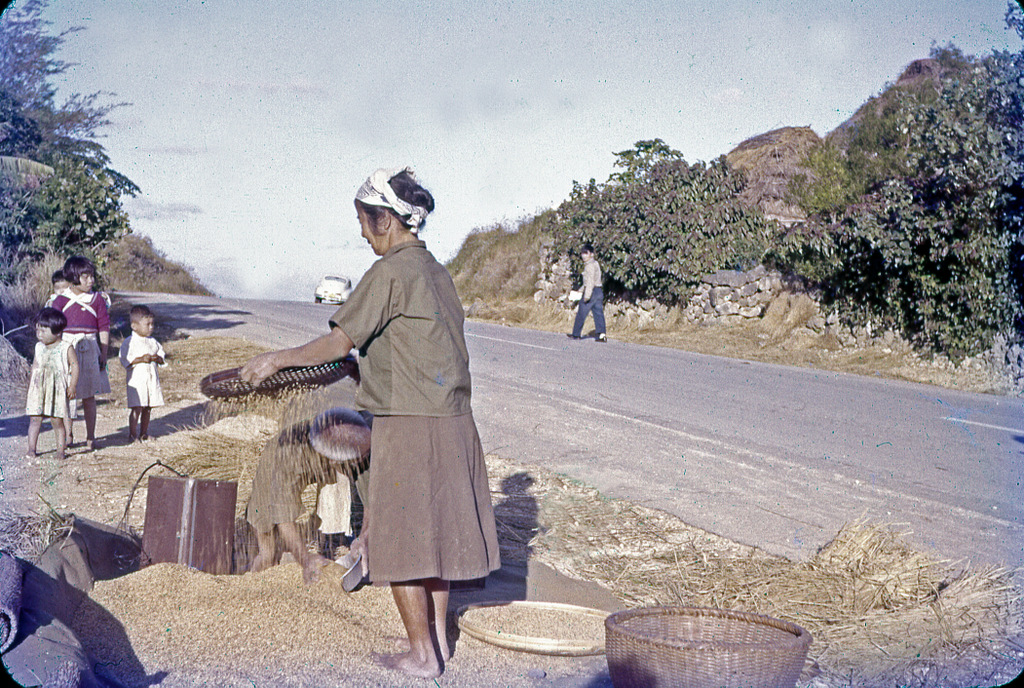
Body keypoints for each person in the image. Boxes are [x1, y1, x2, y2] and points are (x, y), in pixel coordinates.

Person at [240, 167, 500, 679]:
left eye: (363, 221)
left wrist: (276, 360)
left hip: (409, 423)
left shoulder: (389, 272)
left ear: (385, 220)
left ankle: (421, 656)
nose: (361, 232)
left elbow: (338, 342)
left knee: (400, 543)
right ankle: (437, 642)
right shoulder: (436, 272)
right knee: (434, 539)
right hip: (453, 420)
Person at [246, 408, 371, 585]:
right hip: (279, 457)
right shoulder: (288, 457)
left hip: (340, 446)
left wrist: (364, 536)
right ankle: (249, 587)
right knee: (269, 552)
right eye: (352, 463)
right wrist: (305, 559)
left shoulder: (362, 431)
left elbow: (371, 495)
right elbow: (283, 519)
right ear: (335, 461)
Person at [50, 255, 111, 451]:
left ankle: (91, 436)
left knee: (89, 395)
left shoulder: (97, 299)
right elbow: (54, 330)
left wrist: (104, 353)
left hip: (90, 348)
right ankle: (68, 434)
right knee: (68, 394)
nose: (90, 280)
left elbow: (103, 327)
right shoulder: (60, 300)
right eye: (85, 277)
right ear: (73, 277)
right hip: (67, 349)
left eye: (92, 276)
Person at [25, 308, 79, 460]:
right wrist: (31, 386)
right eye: (37, 330)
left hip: (57, 390)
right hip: (39, 389)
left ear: (58, 332)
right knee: (35, 419)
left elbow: (75, 365)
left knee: (57, 421)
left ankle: (60, 451)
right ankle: (31, 449)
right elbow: (35, 366)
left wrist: (72, 385)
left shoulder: (66, 347)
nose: (39, 334)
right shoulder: (39, 347)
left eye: (43, 331)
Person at [118, 305, 166, 441]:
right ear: (134, 326)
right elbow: (125, 359)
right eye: (147, 325)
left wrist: (157, 358)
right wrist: (140, 359)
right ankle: (132, 434)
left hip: (151, 379)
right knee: (137, 407)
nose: (151, 327)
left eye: (152, 324)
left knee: (148, 407)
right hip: (137, 381)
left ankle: (144, 433)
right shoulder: (129, 342)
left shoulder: (153, 342)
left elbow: (162, 357)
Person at [568, 243, 607, 341]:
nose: (584, 255)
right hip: (598, 291)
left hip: (592, 292)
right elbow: (591, 281)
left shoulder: (589, 266)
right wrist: (580, 290)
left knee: (581, 312)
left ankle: (576, 334)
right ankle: (601, 335)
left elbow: (589, 282)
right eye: (582, 253)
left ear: (592, 254)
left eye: (586, 253)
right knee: (598, 313)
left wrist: (587, 296)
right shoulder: (596, 264)